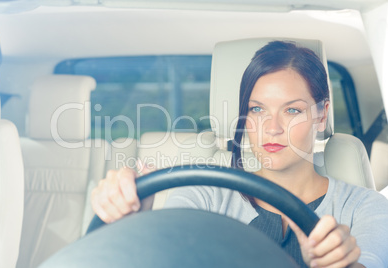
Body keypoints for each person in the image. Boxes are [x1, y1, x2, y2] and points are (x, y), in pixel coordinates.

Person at [91, 41, 388, 267]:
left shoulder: (365, 208)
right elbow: (169, 255)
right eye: (257, 109)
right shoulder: (204, 195)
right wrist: (135, 222)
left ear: (322, 115)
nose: (271, 128)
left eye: (292, 110)